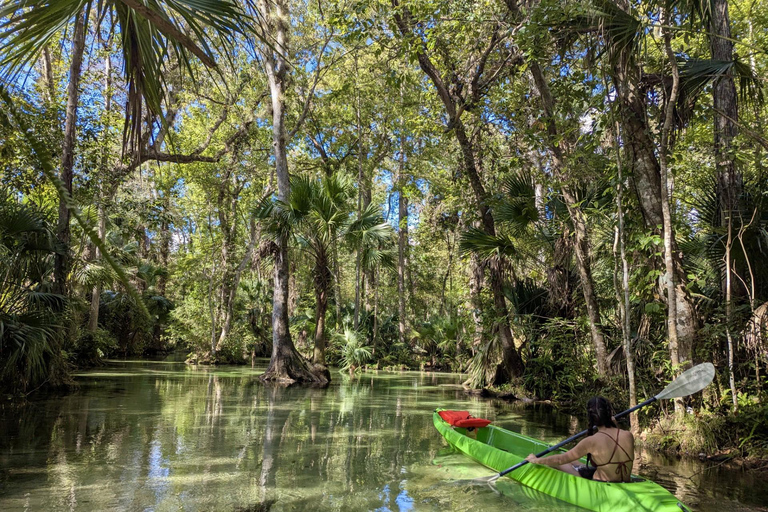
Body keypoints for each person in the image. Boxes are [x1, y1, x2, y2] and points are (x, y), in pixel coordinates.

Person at [524, 396, 635, 483]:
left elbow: (560, 460)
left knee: (560, 462)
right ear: (610, 413)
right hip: (624, 481)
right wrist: (614, 424)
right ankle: (579, 467)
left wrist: (536, 460)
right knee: (571, 458)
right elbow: (614, 444)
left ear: (591, 417)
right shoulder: (628, 435)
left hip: (601, 483)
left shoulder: (591, 441)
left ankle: (579, 475)